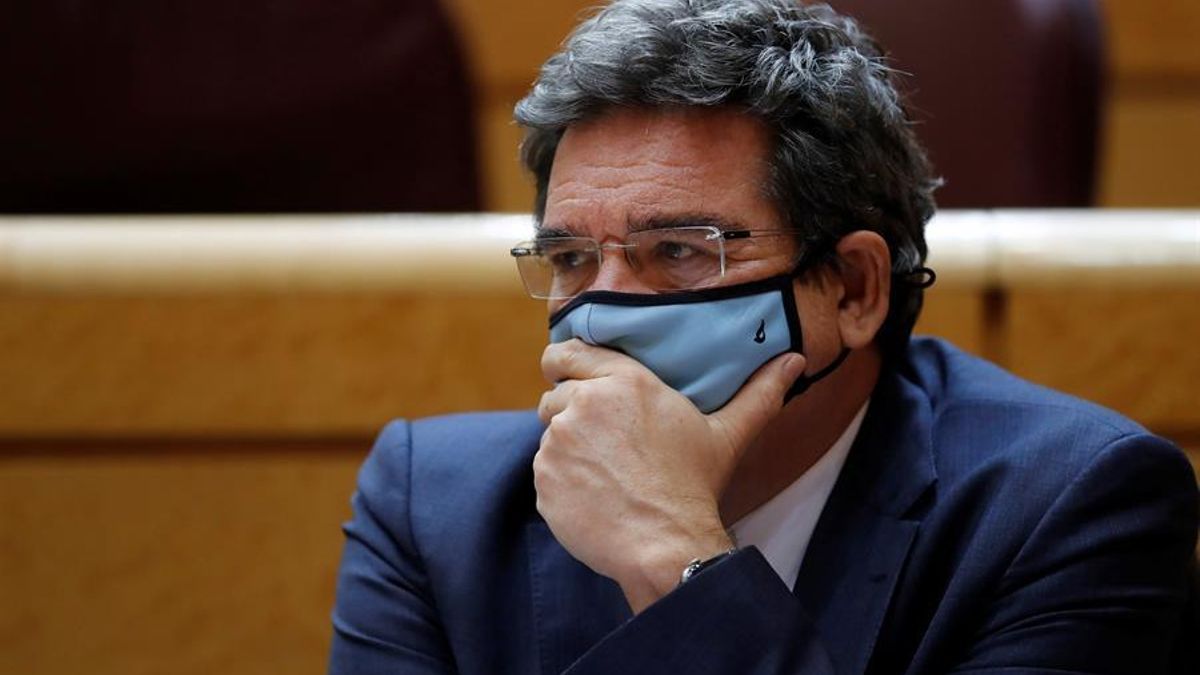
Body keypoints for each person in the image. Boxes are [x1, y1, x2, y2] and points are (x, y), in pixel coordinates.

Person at [328, 1, 1199, 673]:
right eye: (569, 257)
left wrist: (677, 561)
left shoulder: (1070, 508)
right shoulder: (433, 510)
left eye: (678, 250)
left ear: (855, 287)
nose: (600, 313)